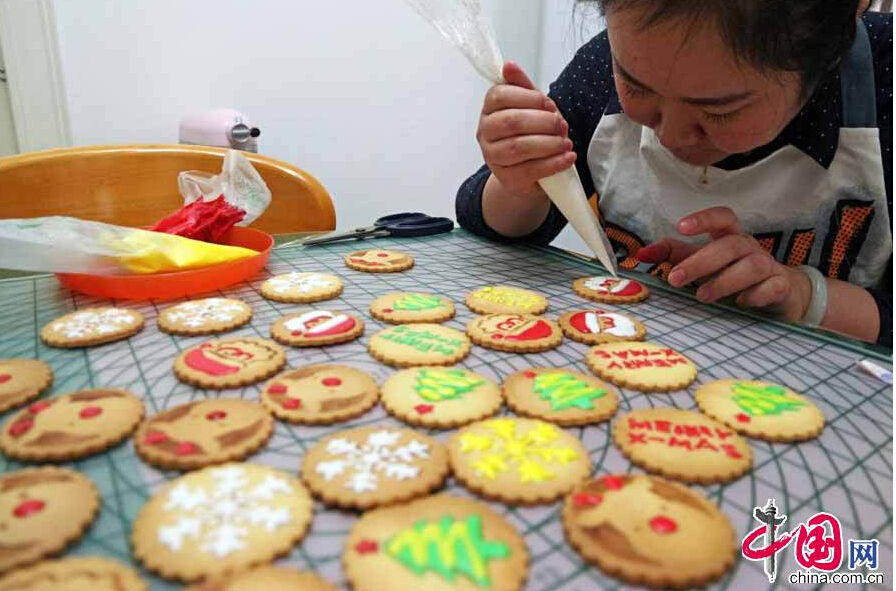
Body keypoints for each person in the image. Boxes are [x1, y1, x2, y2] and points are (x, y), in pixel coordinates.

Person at [456, 0, 893, 347]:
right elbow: (495, 224)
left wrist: (803, 296)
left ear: (829, 49)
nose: (672, 135)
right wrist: (522, 178)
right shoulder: (597, 73)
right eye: (636, 86)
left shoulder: (883, 80)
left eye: (718, 110)